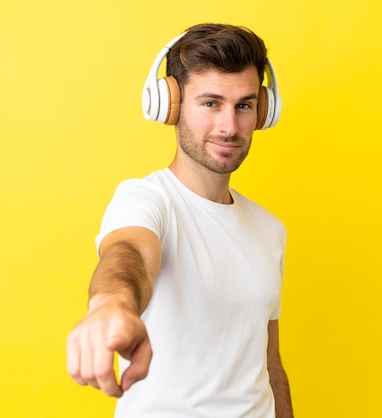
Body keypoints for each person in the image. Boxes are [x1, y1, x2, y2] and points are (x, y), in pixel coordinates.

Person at [67, 23, 294, 418]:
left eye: (243, 105)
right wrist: (111, 305)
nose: (229, 126)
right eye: (210, 103)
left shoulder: (270, 229)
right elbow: (129, 254)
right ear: (169, 105)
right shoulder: (146, 199)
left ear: (262, 110)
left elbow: (269, 366)